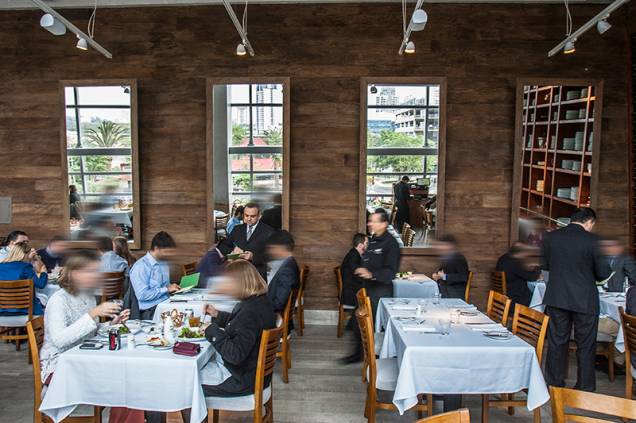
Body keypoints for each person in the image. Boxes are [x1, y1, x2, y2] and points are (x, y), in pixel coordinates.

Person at [541, 207, 611, 392]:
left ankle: (554, 383)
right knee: (586, 344)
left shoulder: (551, 237)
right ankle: (585, 386)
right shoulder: (594, 240)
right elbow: (603, 273)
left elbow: (545, 264)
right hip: (585, 298)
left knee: (557, 341)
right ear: (589, 222)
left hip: (557, 296)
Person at [39, 250, 129, 383]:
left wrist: (112, 324)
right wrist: (93, 313)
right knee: (117, 375)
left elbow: (93, 329)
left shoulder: (87, 295)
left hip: (84, 354)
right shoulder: (59, 300)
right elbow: (59, 340)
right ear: (75, 274)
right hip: (61, 363)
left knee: (122, 368)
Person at [200, 259, 276, 397]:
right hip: (254, 374)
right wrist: (217, 314)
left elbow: (235, 355)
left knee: (189, 382)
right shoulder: (259, 302)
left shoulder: (250, 312)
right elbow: (240, 325)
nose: (226, 287)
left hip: (241, 379)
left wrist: (211, 330)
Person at [129, 231, 180, 320]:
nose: (169, 255)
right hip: (150, 311)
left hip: (165, 304)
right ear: (157, 249)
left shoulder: (163, 264)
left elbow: (165, 287)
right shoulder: (141, 266)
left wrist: (172, 288)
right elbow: (142, 295)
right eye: (166, 252)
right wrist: (167, 289)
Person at [218, 202, 275, 280]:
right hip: (237, 274)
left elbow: (272, 256)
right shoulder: (237, 229)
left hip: (257, 276)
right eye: (246, 215)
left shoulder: (269, 232)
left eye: (252, 216)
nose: (249, 218)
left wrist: (253, 257)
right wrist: (233, 251)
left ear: (259, 216)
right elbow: (222, 246)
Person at [0, 242, 48, 315]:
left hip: (2, 312)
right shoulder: (25, 267)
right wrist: (44, 272)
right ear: (25, 254)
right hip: (25, 313)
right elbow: (41, 284)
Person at [496, 242, 541, 307]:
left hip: (504, 295)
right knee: (539, 298)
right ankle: (537, 316)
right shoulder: (514, 261)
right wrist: (538, 269)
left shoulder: (503, 258)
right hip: (515, 298)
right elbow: (532, 277)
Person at [265, 230, 299, 315]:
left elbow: (279, 303)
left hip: (273, 316)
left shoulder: (287, 270)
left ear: (281, 248)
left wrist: (257, 306)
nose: (270, 251)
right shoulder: (288, 263)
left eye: (272, 248)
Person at [340, 233, 368, 307]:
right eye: (366, 243)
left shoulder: (355, 254)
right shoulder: (353, 256)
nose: (368, 245)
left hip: (353, 288)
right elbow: (357, 275)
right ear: (360, 245)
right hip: (351, 293)